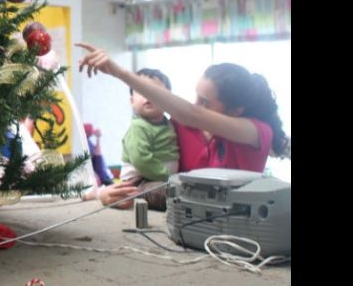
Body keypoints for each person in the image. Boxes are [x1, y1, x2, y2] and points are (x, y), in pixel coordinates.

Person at [75, 42, 289, 211]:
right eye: (195, 95)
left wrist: (119, 72)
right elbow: (144, 178)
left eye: (205, 102)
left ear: (236, 111)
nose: (196, 104)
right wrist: (103, 193)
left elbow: (190, 113)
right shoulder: (179, 127)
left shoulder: (256, 132)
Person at [120, 68, 179, 185]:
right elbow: (140, 159)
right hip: (139, 180)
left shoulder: (168, 123)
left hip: (158, 179)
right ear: (132, 101)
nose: (147, 96)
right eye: (141, 91)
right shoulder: (139, 127)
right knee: (169, 196)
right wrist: (165, 175)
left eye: (154, 92)